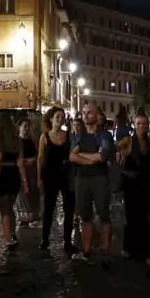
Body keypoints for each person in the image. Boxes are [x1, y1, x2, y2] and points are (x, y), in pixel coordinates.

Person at [70, 102, 112, 264]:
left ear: (97, 115)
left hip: (99, 178)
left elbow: (102, 156)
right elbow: (72, 157)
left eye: (89, 113)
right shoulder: (79, 135)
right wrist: (91, 159)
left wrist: (83, 156)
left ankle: (105, 248)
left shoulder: (104, 135)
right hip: (82, 179)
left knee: (103, 213)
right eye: (84, 112)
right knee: (85, 215)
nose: (86, 115)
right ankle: (86, 251)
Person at [118, 113, 150, 264]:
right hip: (131, 184)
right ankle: (141, 250)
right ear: (134, 124)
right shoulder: (129, 140)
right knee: (132, 216)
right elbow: (113, 152)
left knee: (142, 216)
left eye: (144, 124)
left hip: (145, 184)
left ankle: (136, 249)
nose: (141, 126)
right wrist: (123, 169)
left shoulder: (149, 142)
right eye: (139, 123)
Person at [37, 107, 75, 253]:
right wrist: (39, 178)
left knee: (69, 208)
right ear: (51, 119)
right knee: (48, 208)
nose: (60, 119)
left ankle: (67, 241)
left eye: (62, 116)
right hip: (49, 176)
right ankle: (45, 239)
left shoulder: (68, 136)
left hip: (65, 176)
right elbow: (40, 159)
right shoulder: (44, 137)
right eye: (57, 117)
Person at [0, 111, 26, 251]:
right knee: (10, 208)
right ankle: (12, 234)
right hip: (14, 174)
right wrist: (24, 180)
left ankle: (8, 238)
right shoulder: (16, 139)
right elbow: (20, 162)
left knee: (4, 210)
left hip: (1, 175)